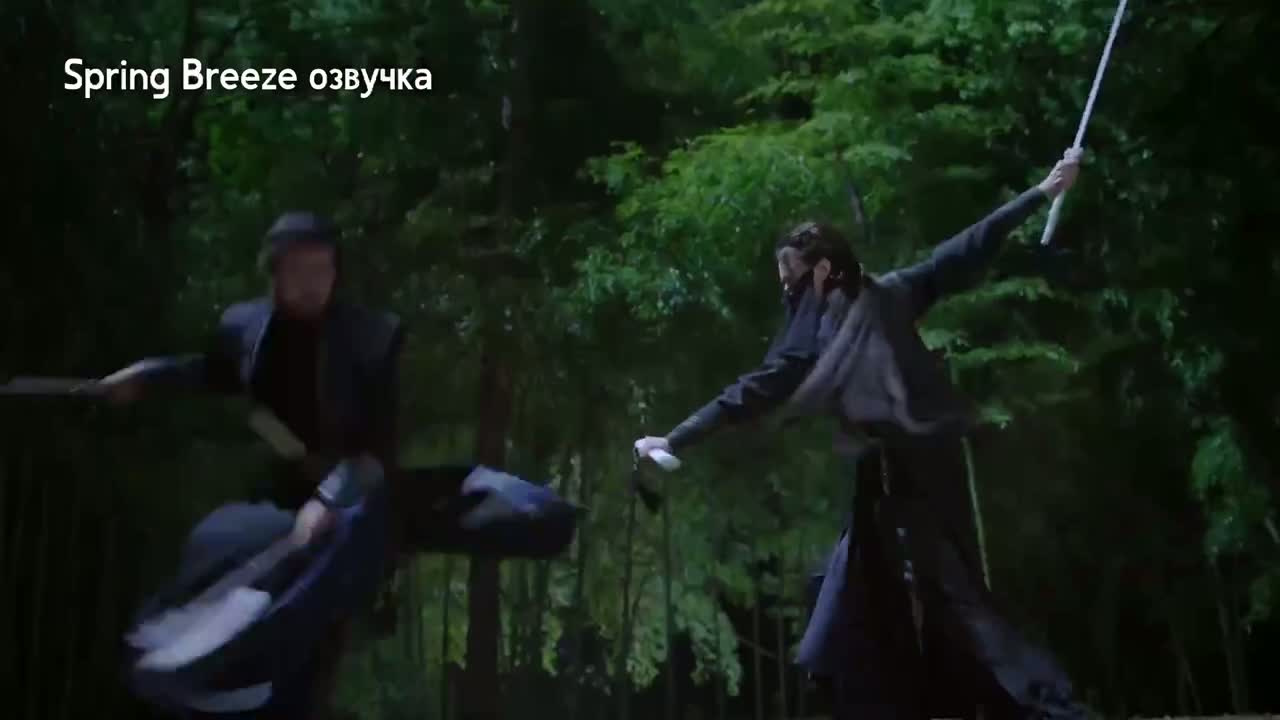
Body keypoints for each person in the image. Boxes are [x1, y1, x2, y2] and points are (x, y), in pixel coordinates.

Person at [634, 149, 1087, 720]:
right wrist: (1041, 192)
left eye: (791, 281)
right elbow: (962, 252)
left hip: (909, 472)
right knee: (848, 587)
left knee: (951, 597)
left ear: (822, 271)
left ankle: (1051, 706)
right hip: (900, 470)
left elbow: (750, 392)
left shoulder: (832, 328)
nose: (787, 294)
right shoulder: (885, 297)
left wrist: (674, 439)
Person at [103, 211, 406, 719]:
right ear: (275, 272)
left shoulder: (372, 339)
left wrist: (328, 499)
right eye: (299, 270)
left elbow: (377, 452)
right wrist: (146, 377)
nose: (312, 283)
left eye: (323, 269)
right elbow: (210, 374)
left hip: (348, 503)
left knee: (307, 619)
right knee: (222, 561)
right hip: (277, 497)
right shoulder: (246, 328)